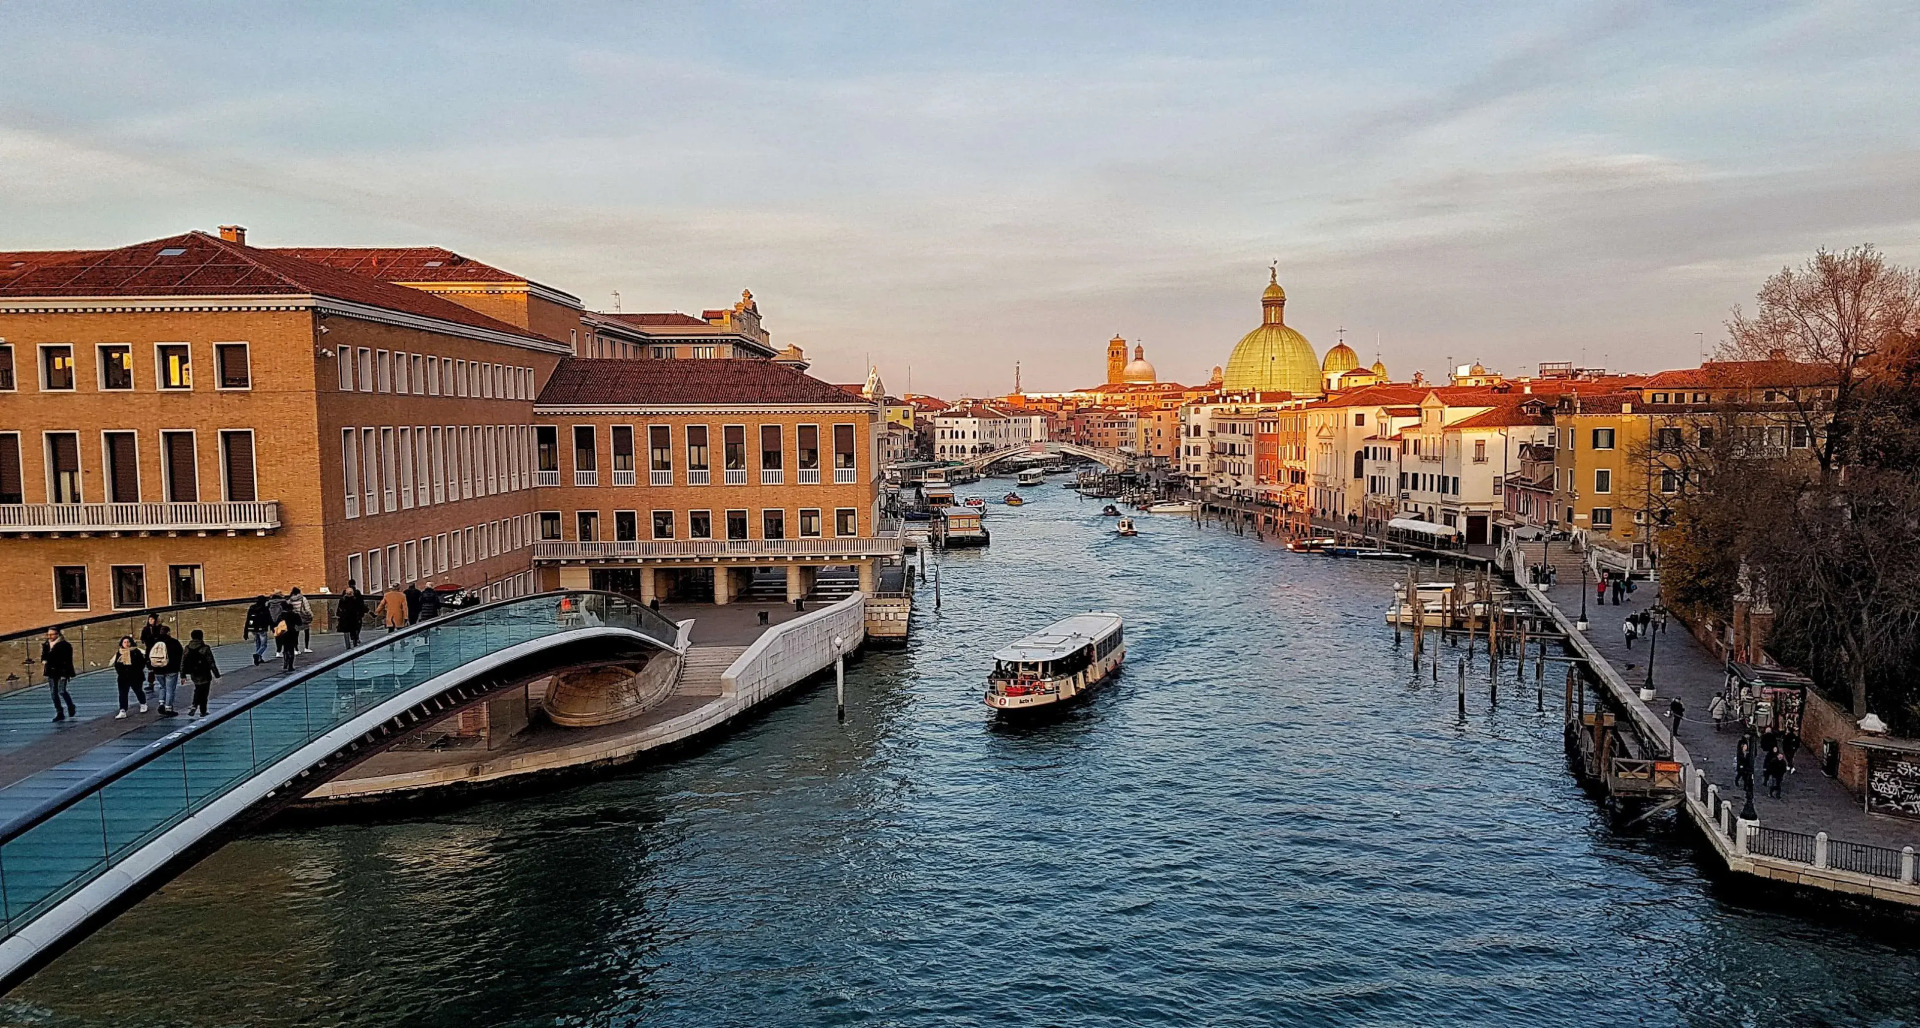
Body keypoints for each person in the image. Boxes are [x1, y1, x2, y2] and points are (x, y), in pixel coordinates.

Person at [181, 628, 221, 717]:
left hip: (193, 673)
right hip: (205, 672)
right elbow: (211, 662)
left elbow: (183, 662)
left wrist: (183, 675)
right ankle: (202, 711)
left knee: (198, 688)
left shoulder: (187, 648)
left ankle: (194, 705)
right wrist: (217, 675)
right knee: (204, 692)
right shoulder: (205, 648)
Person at [41, 628, 77, 722]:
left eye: (52, 635)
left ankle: (70, 706)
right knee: (53, 693)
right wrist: (44, 660)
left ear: (57, 634)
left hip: (61, 671)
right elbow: (44, 655)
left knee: (61, 691)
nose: (49, 637)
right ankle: (59, 712)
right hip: (51, 671)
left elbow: (67, 660)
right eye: (48, 635)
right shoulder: (46, 644)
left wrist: (65, 674)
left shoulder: (65, 645)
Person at [148, 625, 185, 717]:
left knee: (162, 687)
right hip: (171, 669)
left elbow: (148, 655)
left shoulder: (154, 642)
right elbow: (181, 656)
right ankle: (168, 708)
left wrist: (151, 667)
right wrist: (181, 671)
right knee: (170, 689)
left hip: (157, 669)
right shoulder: (174, 642)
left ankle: (161, 703)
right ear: (168, 632)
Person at [112, 635, 149, 718]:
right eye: (124, 642)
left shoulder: (136, 651)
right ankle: (123, 710)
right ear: (122, 643)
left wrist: (136, 671)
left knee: (138, 690)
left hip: (135, 676)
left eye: (128, 642)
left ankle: (143, 704)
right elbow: (117, 664)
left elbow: (141, 663)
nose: (126, 644)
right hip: (123, 677)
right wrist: (121, 672)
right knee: (123, 694)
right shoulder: (119, 652)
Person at [337, 583, 367, 648]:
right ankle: (355, 643)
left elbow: (339, 609)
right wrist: (362, 614)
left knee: (346, 631)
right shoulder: (355, 599)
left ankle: (347, 645)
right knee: (354, 630)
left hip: (345, 619)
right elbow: (361, 607)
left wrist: (339, 615)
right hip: (354, 618)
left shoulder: (342, 600)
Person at [244, 595, 272, 665]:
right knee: (263, 645)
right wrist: (272, 627)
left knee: (258, 643)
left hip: (253, 628)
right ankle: (258, 654)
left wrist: (246, 632)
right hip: (262, 628)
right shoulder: (264, 609)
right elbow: (269, 619)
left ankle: (259, 658)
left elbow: (248, 619)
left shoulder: (252, 608)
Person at [274, 603, 301, 672]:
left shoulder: (281, 616)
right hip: (292, 633)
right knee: (291, 649)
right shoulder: (295, 615)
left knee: (285, 648)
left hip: (283, 633)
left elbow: (276, 624)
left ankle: (285, 663)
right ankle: (290, 665)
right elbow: (299, 623)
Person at [289, 587, 315, 653]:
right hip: (303, 617)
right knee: (306, 632)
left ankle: (296, 649)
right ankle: (306, 647)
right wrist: (311, 615)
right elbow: (307, 609)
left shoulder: (290, 600)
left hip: (295, 618)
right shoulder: (303, 598)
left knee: (295, 634)